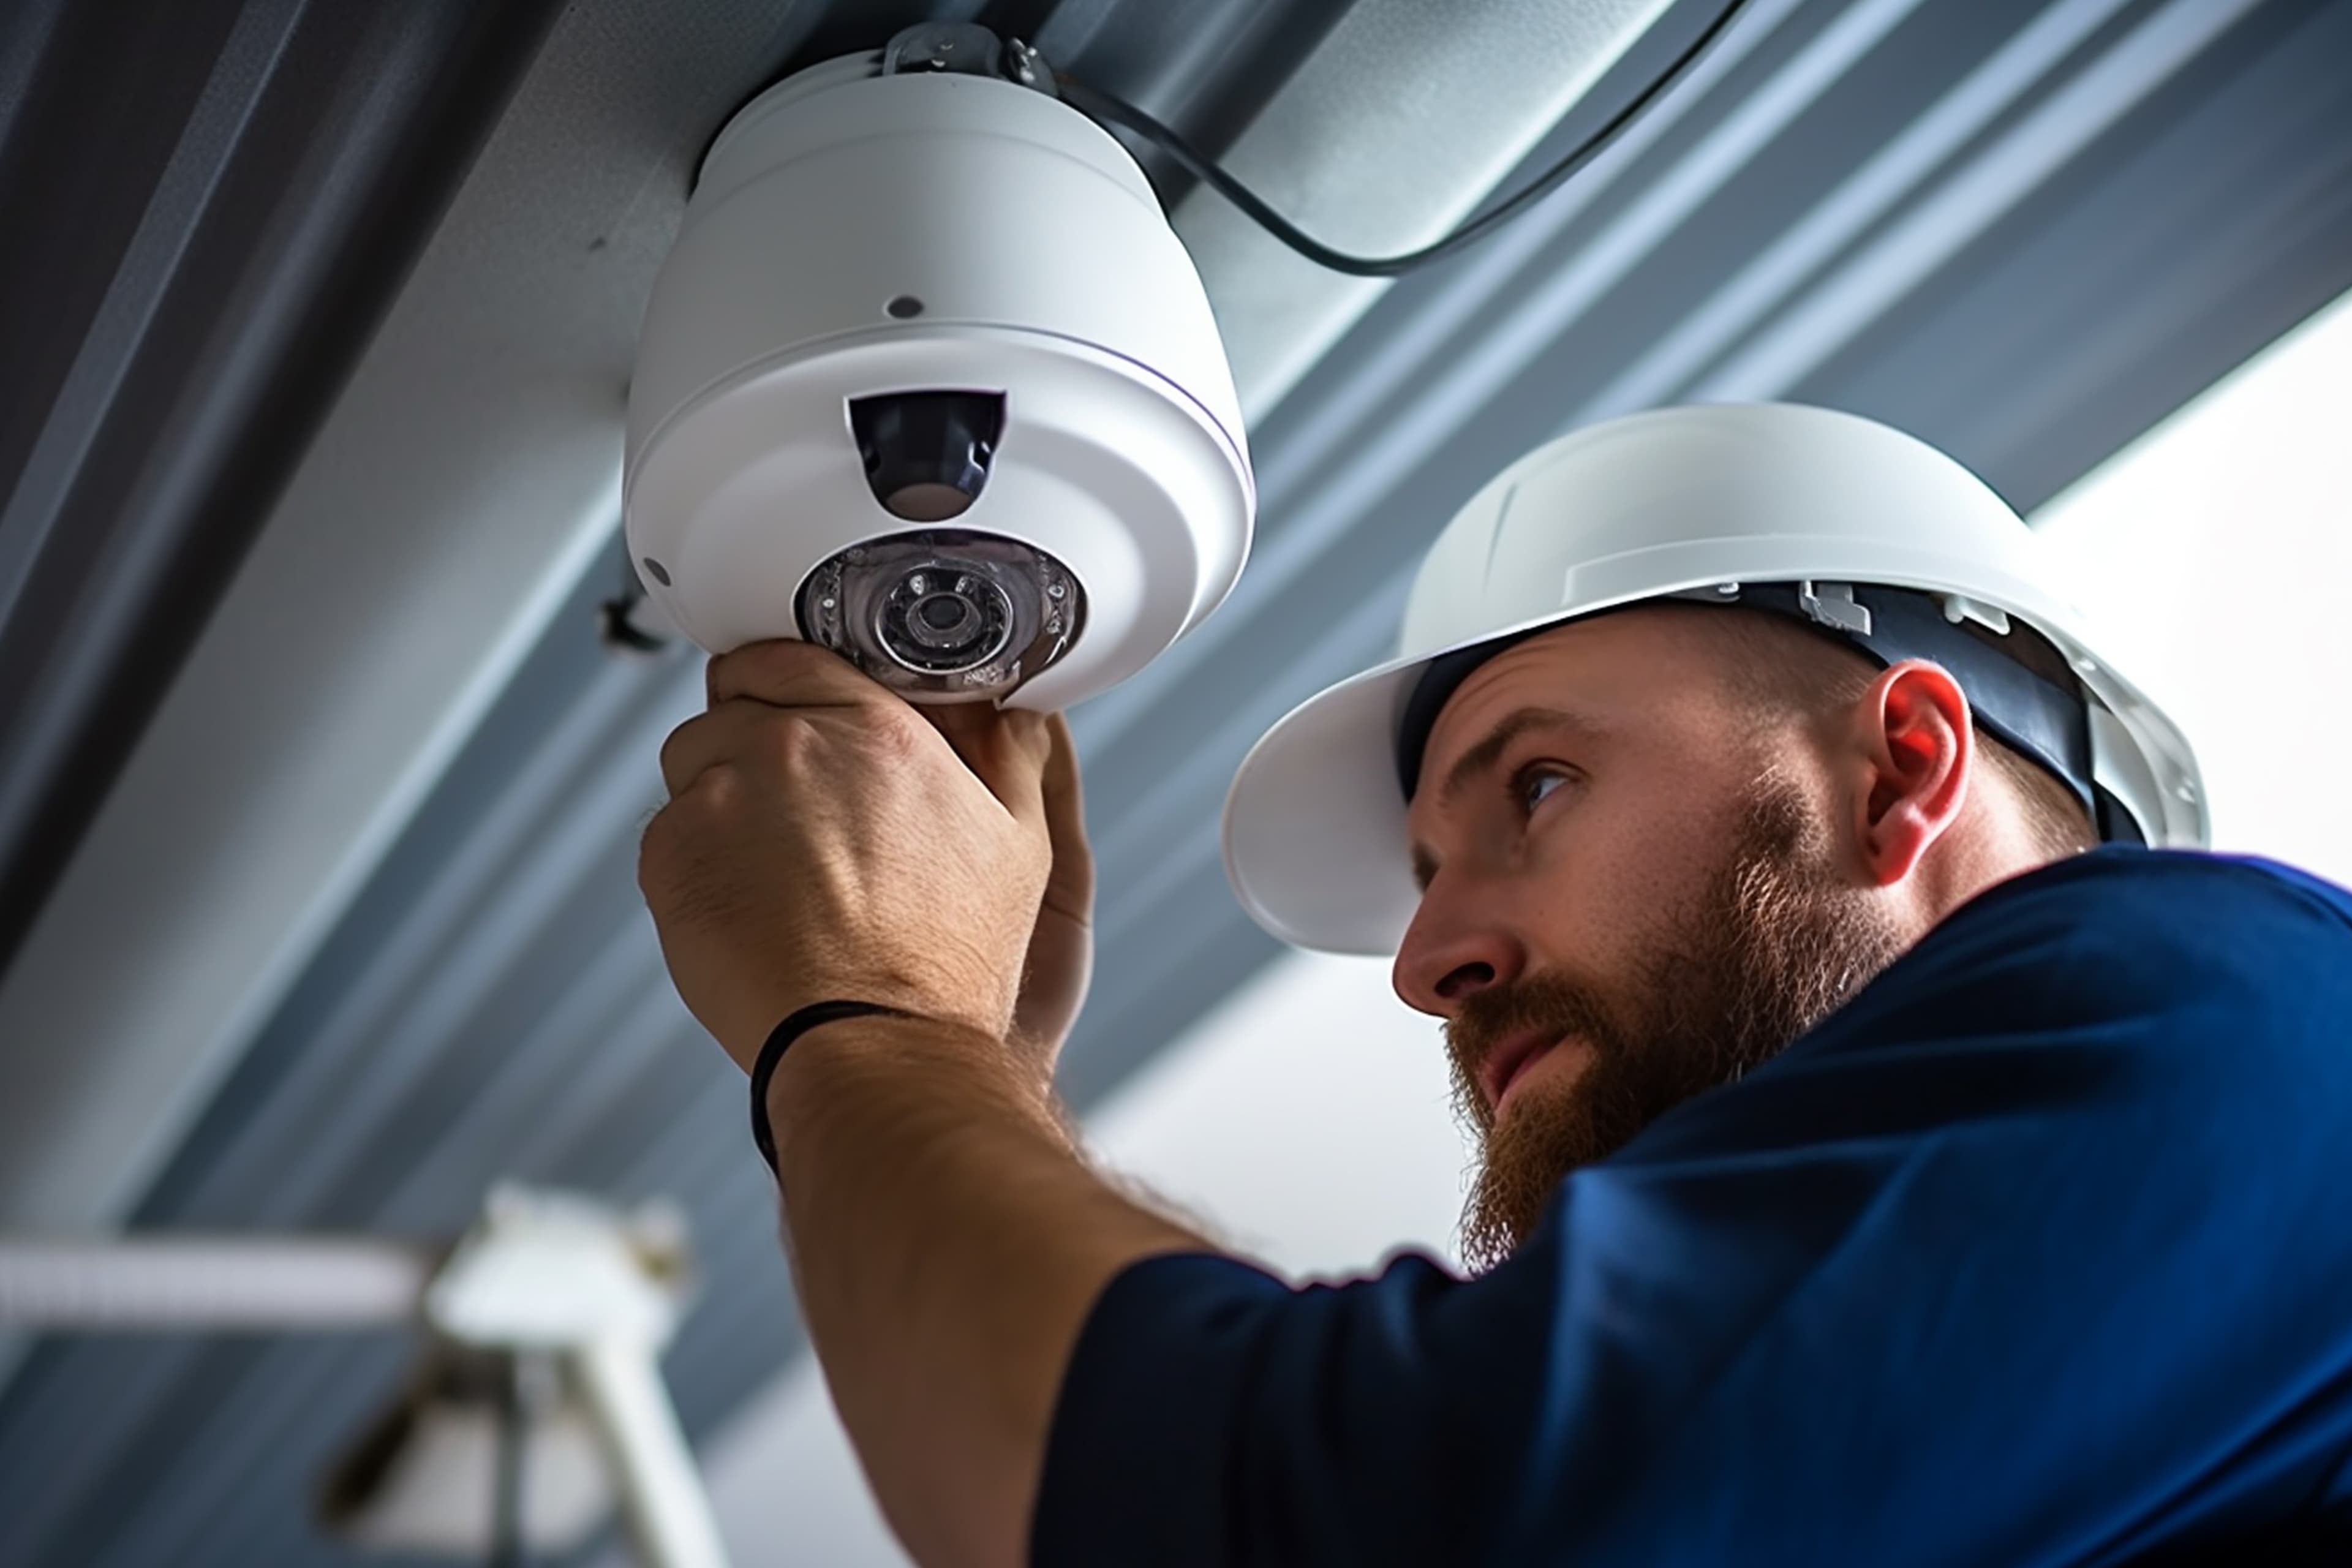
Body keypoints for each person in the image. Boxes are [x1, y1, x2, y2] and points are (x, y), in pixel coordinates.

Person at [638, 404, 2352, 1566]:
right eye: (1423, 873)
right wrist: (957, 1066)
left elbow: (1319, 1514)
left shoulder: (2242, 1004)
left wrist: (878, 1015)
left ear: (1902, 767)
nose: (1424, 963)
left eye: (1536, 785)